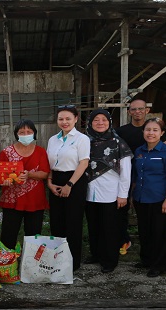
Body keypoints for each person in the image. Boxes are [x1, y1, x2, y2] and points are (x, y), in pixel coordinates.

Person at [85, 109, 132, 273]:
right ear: (90, 123)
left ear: (110, 122)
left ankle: (110, 260)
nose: (100, 123)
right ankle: (96, 254)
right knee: (94, 226)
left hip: (111, 193)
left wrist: (123, 195)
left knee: (109, 228)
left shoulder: (119, 143)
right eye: (96, 120)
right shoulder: (86, 141)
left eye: (103, 120)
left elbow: (126, 171)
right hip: (90, 192)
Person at [132, 118, 166, 277]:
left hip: (161, 199)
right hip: (141, 198)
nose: (151, 133)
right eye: (148, 130)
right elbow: (136, 175)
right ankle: (147, 260)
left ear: (162, 133)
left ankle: (160, 265)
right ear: (143, 132)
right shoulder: (139, 151)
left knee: (160, 232)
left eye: (155, 130)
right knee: (145, 231)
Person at [46, 105, 90, 271]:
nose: (64, 122)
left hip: (75, 180)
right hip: (56, 179)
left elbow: (83, 163)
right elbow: (49, 163)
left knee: (73, 222)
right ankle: (57, 260)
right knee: (56, 222)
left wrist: (69, 184)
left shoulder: (81, 139)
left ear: (76, 119)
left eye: (68, 119)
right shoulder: (52, 140)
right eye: (61, 119)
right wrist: (50, 182)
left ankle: (72, 262)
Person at [0, 119, 50, 249]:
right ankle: (7, 264)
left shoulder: (40, 151)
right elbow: (0, 176)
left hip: (34, 200)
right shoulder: (6, 152)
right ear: (16, 134)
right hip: (12, 200)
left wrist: (29, 174)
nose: (25, 134)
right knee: (8, 234)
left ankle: (31, 263)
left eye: (29, 131)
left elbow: (45, 173)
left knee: (33, 235)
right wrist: (3, 181)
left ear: (34, 133)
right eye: (22, 132)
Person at [115, 97, 150, 255]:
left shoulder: (152, 130)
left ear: (146, 111)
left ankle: (147, 249)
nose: (137, 112)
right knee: (121, 210)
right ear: (129, 112)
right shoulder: (121, 132)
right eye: (134, 109)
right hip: (125, 177)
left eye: (140, 109)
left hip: (148, 178)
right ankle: (123, 241)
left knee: (145, 213)